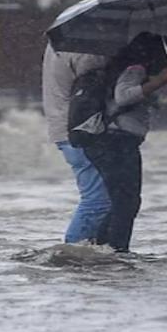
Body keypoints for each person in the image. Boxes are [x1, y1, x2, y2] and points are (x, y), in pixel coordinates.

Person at [83, 32, 167, 252]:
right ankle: (116, 251)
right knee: (126, 202)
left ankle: (100, 248)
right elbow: (124, 96)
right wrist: (162, 80)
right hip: (118, 142)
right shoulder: (135, 68)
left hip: (111, 142)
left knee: (124, 200)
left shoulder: (125, 68)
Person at [42, 42, 112, 244]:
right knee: (98, 201)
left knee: (98, 199)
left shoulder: (60, 42)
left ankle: (90, 255)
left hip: (65, 127)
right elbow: (96, 83)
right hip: (79, 129)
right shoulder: (85, 50)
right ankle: (72, 254)